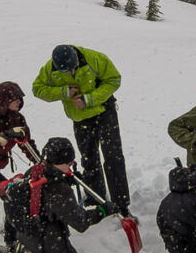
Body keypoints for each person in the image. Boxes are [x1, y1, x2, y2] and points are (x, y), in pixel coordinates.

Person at [32, 45, 132, 217]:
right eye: (66, 71)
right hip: (80, 118)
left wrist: (89, 99)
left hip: (104, 112)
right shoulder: (50, 68)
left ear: (76, 59)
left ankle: (121, 203)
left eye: (73, 68)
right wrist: (64, 92)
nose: (70, 73)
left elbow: (114, 80)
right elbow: (38, 89)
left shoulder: (95, 59)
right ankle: (96, 198)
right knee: (89, 157)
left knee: (113, 156)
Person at [8, 137, 117, 253]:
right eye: (69, 162)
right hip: (44, 237)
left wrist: (64, 178)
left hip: (24, 229)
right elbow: (81, 222)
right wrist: (103, 211)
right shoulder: (60, 191)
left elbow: (45, 192)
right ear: (59, 162)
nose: (71, 164)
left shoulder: (36, 170)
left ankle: (25, 246)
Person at [0, 81, 39, 240]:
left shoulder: (17, 119)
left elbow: (27, 143)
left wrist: (40, 163)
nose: (19, 102)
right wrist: (4, 137)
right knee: (9, 195)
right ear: (4, 102)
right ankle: (14, 238)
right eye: (15, 99)